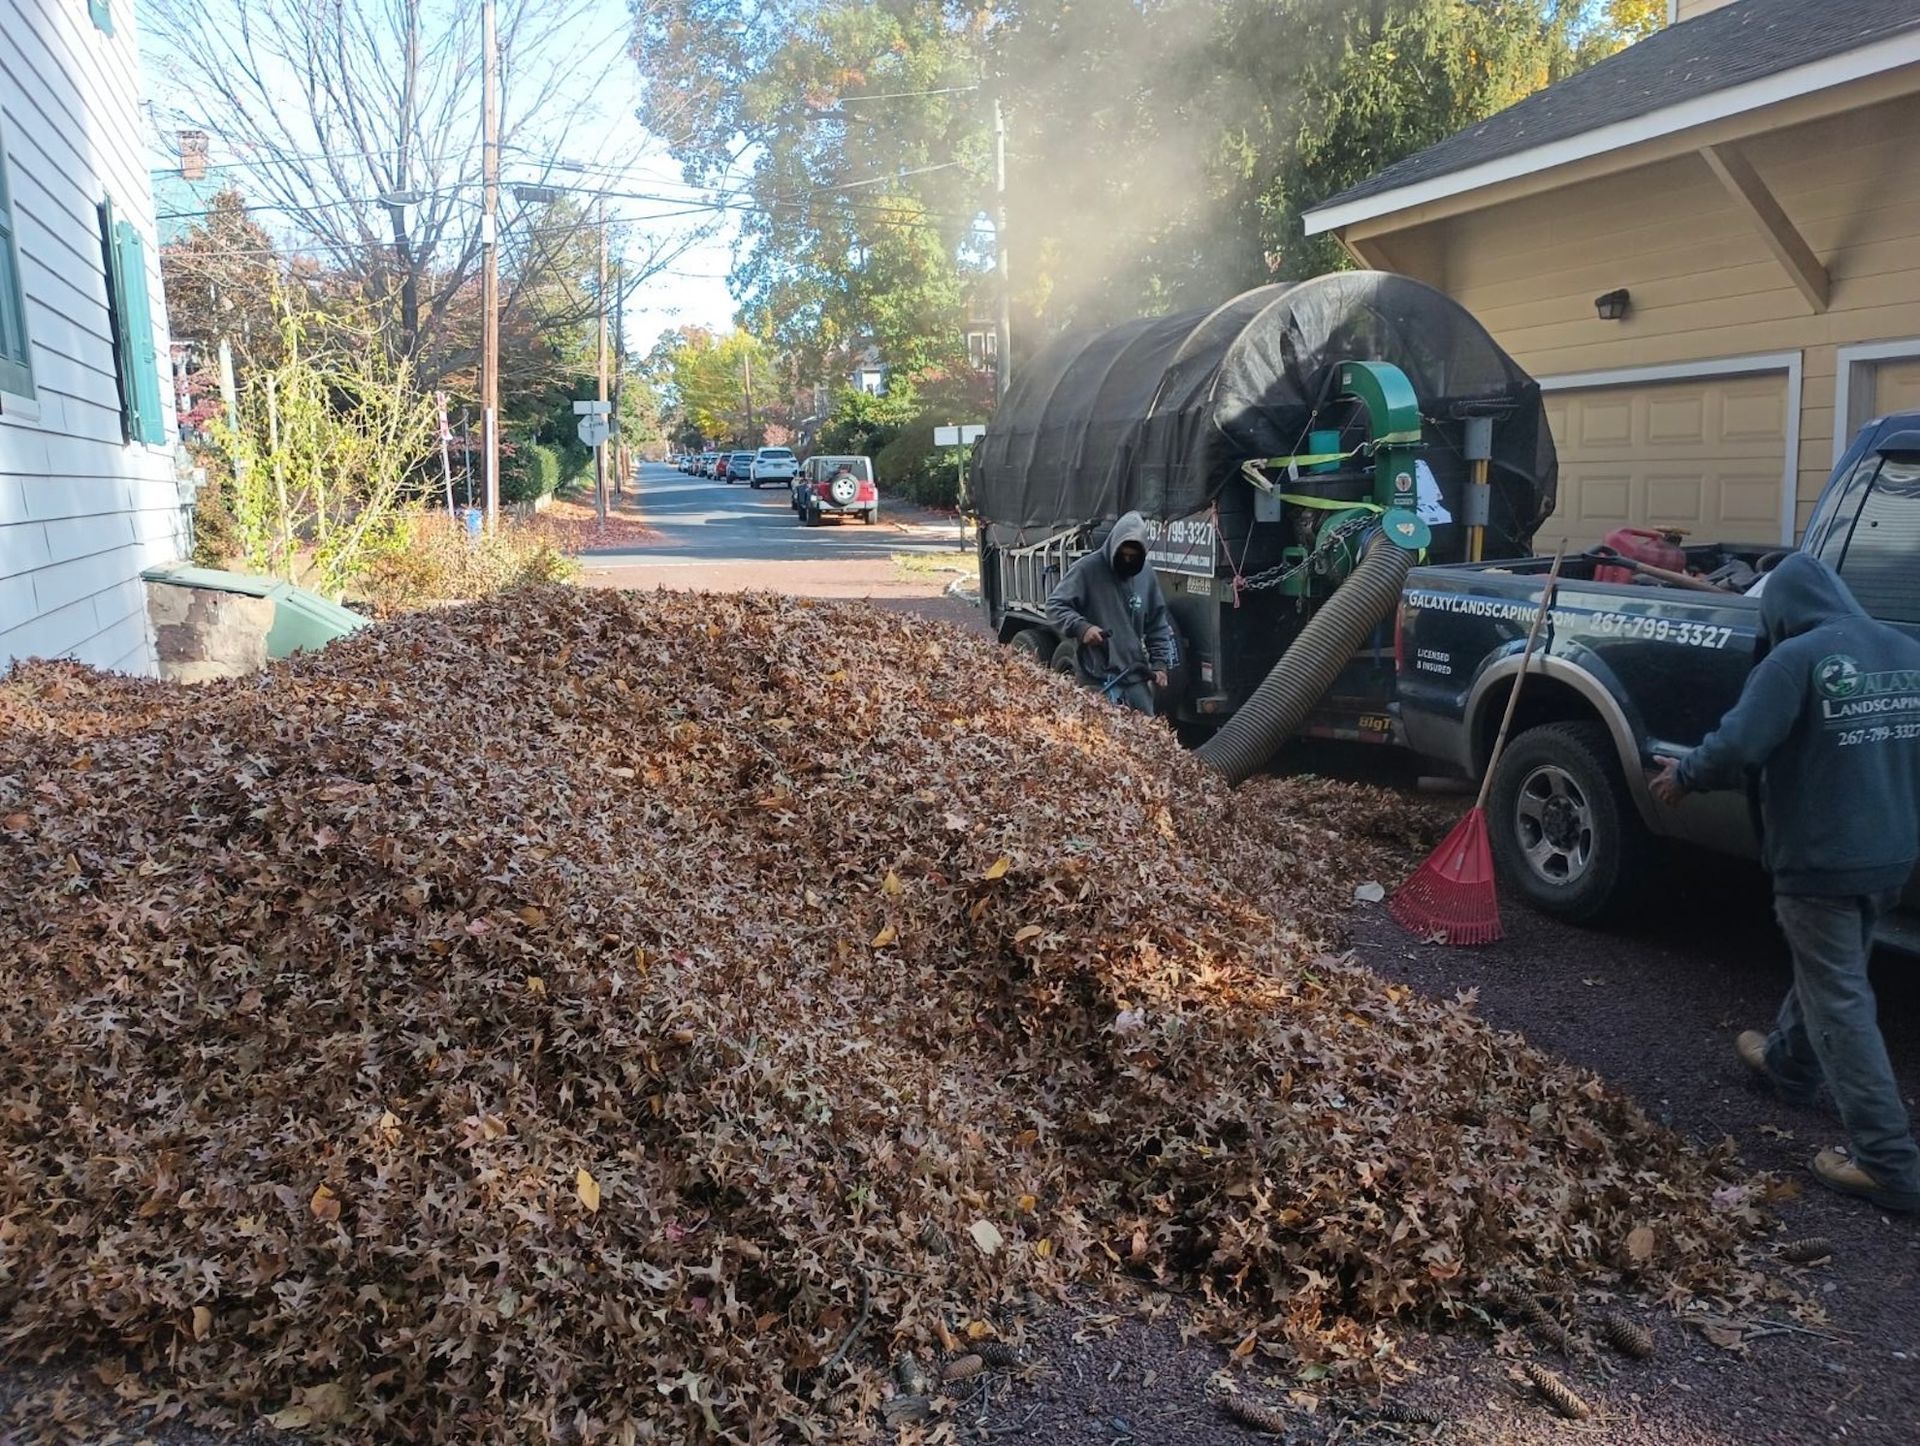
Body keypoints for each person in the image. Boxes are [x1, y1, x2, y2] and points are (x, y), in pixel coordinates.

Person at [1651, 553, 1920, 1212]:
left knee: (1839, 997)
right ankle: (1789, 1066)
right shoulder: (1905, 650)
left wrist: (1684, 776)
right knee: (1833, 964)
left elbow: (1741, 744)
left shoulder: (1794, 660)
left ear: (1780, 610)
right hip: (1891, 855)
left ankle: (1889, 1162)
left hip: (1821, 858)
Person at [1046, 512, 1176, 714]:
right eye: (1123, 554)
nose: (1127, 559)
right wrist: (1083, 628)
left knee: (1146, 734)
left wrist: (1159, 664)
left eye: (1133, 557)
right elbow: (1055, 606)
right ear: (1114, 546)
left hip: (1135, 675)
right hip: (1096, 676)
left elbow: (1157, 624)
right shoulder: (1087, 569)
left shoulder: (1146, 575)